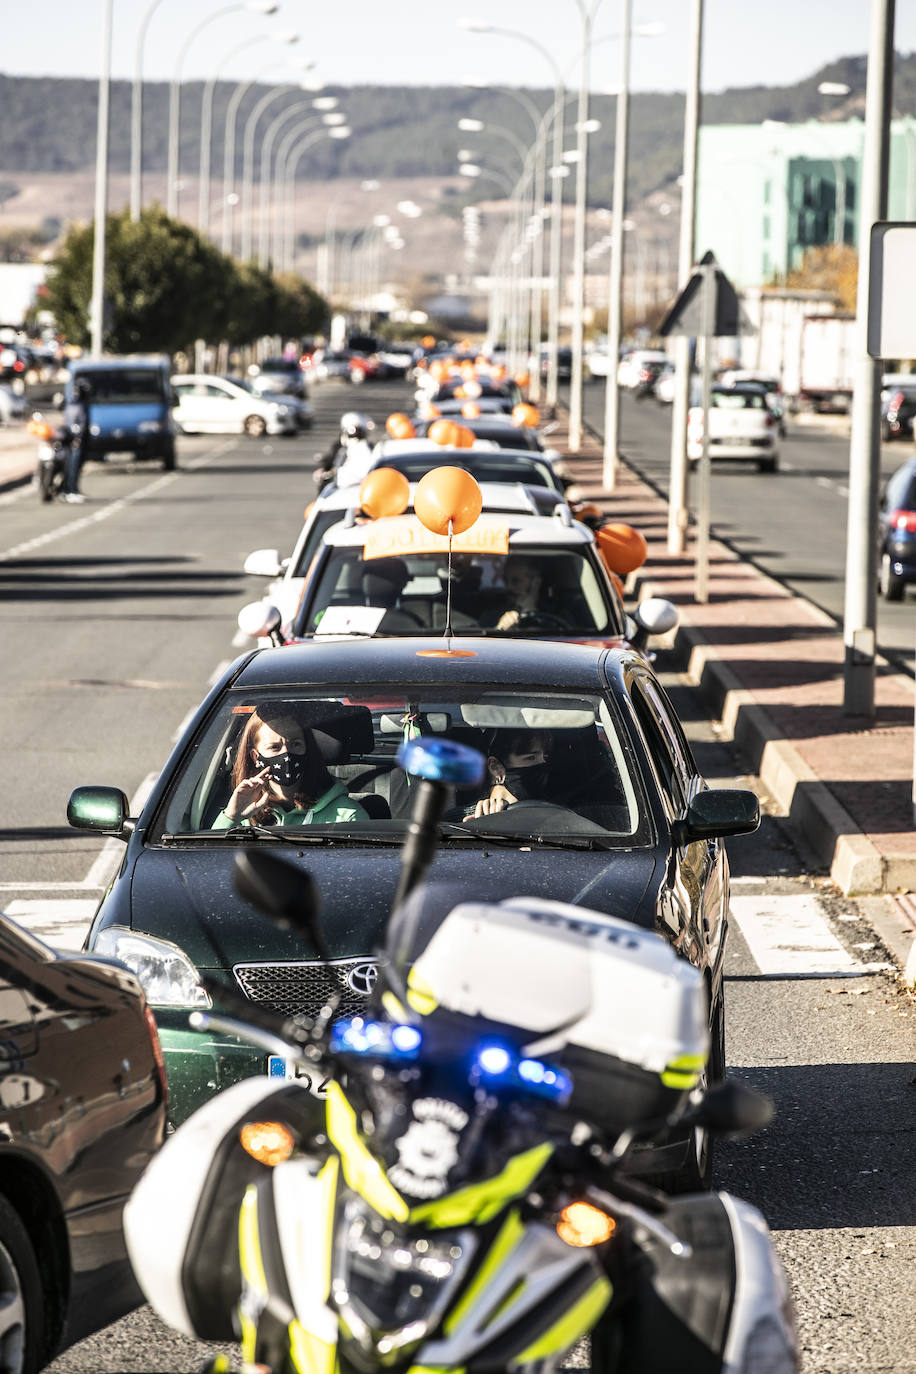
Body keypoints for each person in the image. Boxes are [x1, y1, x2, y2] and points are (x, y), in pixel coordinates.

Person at [212, 707, 368, 828]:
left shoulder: (346, 816)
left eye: (295, 744)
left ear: (307, 749)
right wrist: (232, 817)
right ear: (255, 756)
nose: (287, 754)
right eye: (274, 747)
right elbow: (209, 862)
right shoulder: (245, 812)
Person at [464, 729, 551, 819]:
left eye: (545, 757)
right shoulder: (459, 820)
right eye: (531, 757)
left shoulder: (556, 815)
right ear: (495, 767)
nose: (543, 764)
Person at [481, 556, 546, 632]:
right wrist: (501, 628)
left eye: (516, 581)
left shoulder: (555, 613)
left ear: (535, 583)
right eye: (505, 580)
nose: (508, 587)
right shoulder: (491, 616)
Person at [314, 412, 375, 489]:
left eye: (360, 433)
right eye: (353, 434)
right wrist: (327, 472)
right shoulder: (340, 449)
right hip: (341, 487)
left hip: (363, 486)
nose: (355, 437)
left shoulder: (371, 448)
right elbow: (331, 461)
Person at [61, 376, 91, 502]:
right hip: (73, 440)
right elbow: (74, 423)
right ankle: (70, 490)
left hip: (78, 439)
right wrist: (77, 438)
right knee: (72, 466)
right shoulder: (73, 404)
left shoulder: (81, 404)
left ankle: (73, 489)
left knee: (76, 467)